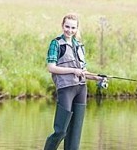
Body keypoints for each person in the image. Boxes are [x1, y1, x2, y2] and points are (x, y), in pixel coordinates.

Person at [44, 13, 103, 150]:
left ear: (77, 29)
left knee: (75, 134)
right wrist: (72, 70)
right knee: (61, 131)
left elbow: (83, 71)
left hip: (81, 89)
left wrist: (97, 77)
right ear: (62, 26)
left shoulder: (79, 45)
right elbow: (51, 67)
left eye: (73, 28)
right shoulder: (56, 43)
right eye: (67, 27)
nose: (69, 30)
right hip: (66, 89)